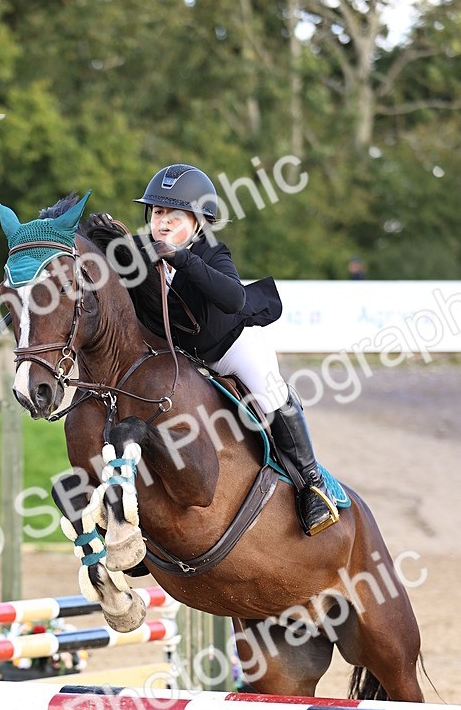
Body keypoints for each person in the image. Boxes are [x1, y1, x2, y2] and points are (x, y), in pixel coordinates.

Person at [131, 163, 339, 535]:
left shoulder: (212, 252)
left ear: (197, 222)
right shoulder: (140, 254)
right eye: (158, 212)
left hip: (232, 346)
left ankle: (312, 485)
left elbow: (233, 297)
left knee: (269, 390)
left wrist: (181, 258)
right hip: (184, 359)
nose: (161, 222)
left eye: (173, 214)